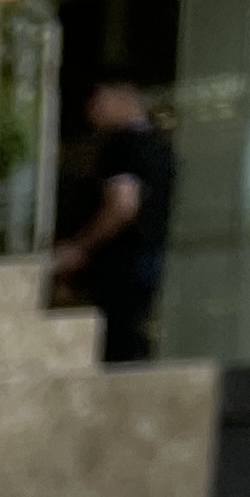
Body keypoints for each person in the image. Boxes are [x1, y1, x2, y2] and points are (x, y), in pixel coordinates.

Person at [55, 76, 178, 368]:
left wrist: (82, 246)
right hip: (149, 259)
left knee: (116, 346)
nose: (92, 111)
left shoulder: (123, 145)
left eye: (98, 99)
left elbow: (122, 203)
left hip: (119, 264)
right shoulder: (161, 147)